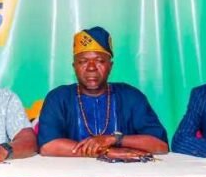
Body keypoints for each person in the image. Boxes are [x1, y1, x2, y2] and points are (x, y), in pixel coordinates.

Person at [38, 26, 168, 158]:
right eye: (83, 61)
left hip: (124, 170)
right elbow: (48, 147)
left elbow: (160, 145)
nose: (91, 67)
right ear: (74, 67)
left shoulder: (131, 96)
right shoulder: (59, 98)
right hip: (74, 170)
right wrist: (107, 152)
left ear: (110, 66)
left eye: (100, 61)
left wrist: (115, 139)